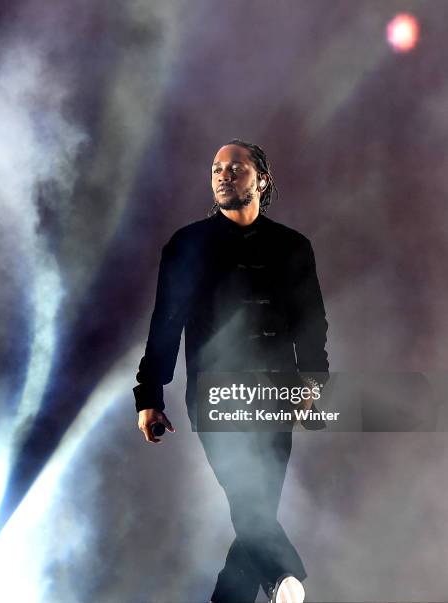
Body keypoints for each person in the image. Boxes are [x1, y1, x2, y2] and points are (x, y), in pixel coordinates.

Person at [134, 140, 329, 603]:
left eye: (235, 168)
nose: (223, 175)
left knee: (255, 511)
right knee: (247, 493)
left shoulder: (293, 246)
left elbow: (311, 321)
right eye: (217, 168)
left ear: (261, 179)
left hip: (277, 395)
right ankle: (284, 577)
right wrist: (149, 395)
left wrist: (313, 384)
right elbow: (166, 322)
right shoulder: (187, 245)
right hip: (216, 394)